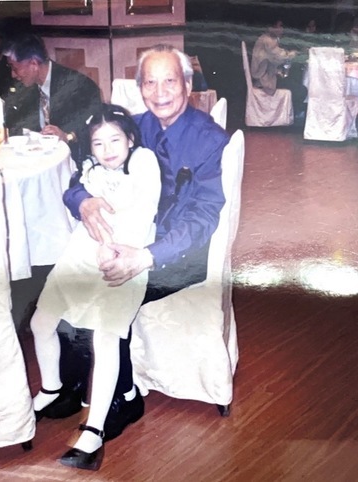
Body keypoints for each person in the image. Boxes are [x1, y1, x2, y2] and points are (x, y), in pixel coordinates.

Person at [62, 44, 229, 442]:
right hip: (131, 238)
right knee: (70, 277)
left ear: (187, 84)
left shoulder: (209, 140)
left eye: (170, 81)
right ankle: (70, 387)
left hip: (180, 256)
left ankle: (125, 396)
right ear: (139, 88)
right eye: (149, 83)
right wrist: (82, 201)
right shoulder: (132, 130)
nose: (160, 92)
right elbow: (79, 177)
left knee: (105, 288)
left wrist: (146, 257)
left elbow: (202, 219)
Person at [30, 104, 161, 471]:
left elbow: (142, 217)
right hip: (82, 255)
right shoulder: (91, 168)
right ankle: (52, 388)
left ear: (130, 139)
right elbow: (76, 197)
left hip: (124, 258)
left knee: (105, 337)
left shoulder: (144, 163)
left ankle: (95, 428)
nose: (108, 150)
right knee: (41, 323)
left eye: (115, 140)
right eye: (99, 143)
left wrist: (111, 249)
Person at [2, 33, 103, 163]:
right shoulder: (26, 87)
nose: (13, 74)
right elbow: (12, 119)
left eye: (15, 68)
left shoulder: (79, 86)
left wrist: (68, 136)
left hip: (70, 161)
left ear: (34, 64)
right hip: (36, 158)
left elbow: (95, 126)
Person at [250, 20, 308, 120]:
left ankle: (292, 113)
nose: (282, 30)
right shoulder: (267, 40)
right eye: (279, 26)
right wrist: (293, 53)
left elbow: (272, 60)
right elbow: (279, 55)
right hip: (264, 80)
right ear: (271, 27)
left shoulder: (266, 39)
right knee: (301, 90)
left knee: (295, 82)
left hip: (266, 76)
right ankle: (295, 113)